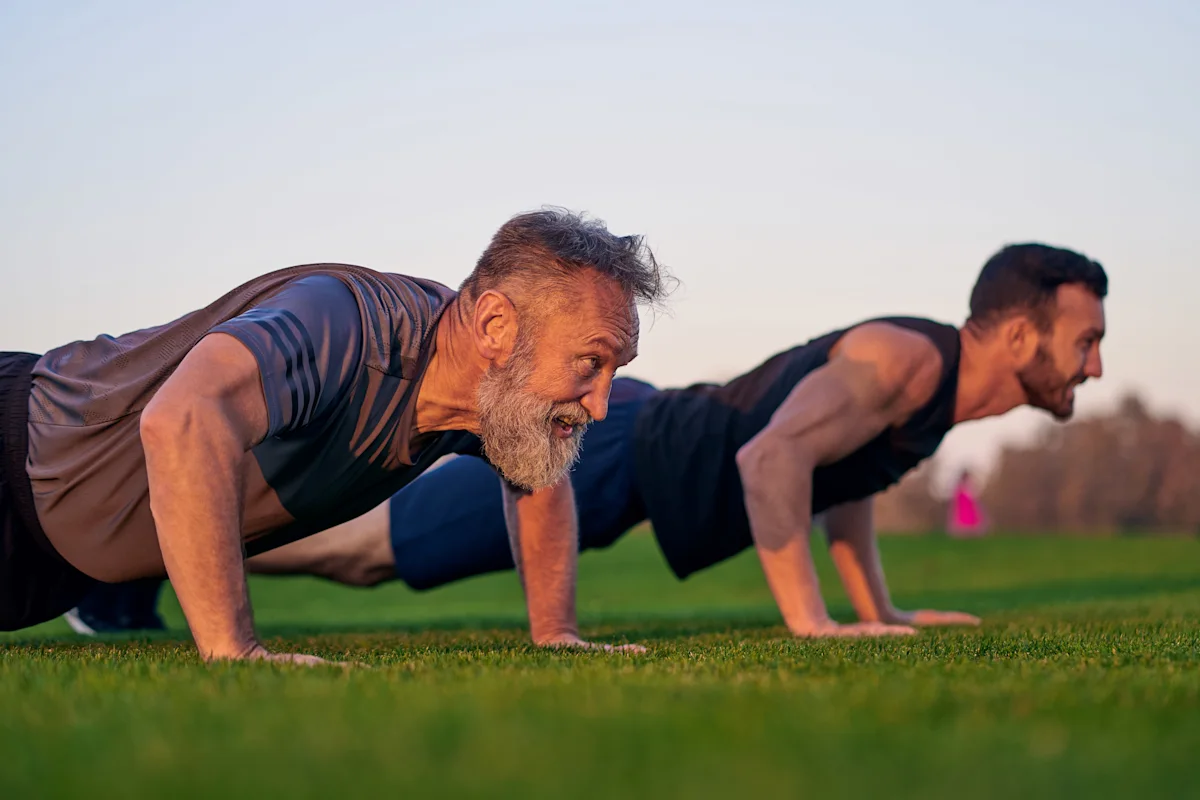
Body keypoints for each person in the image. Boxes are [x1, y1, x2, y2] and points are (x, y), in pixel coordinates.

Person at [69, 242, 1106, 639]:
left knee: (370, 551)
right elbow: (772, 458)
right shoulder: (908, 362)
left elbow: (845, 474)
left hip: (632, 464)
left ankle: (144, 560)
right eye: (1085, 338)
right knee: (368, 548)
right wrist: (812, 625)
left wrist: (878, 606)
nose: (1097, 363)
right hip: (625, 453)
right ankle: (138, 558)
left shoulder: (923, 397)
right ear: (1018, 332)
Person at [1, 207, 672, 664]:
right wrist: (233, 650)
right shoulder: (347, 325)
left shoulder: (480, 402)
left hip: (53, 569)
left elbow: (539, 480)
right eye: (591, 362)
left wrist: (555, 633)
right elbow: (181, 418)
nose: (603, 402)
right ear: (495, 327)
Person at [947, 469, 988, 537]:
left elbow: (974, 496)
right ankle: (965, 534)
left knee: (970, 521)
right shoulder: (960, 487)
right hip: (963, 507)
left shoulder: (969, 485)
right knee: (964, 522)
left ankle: (970, 534)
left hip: (969, 507)